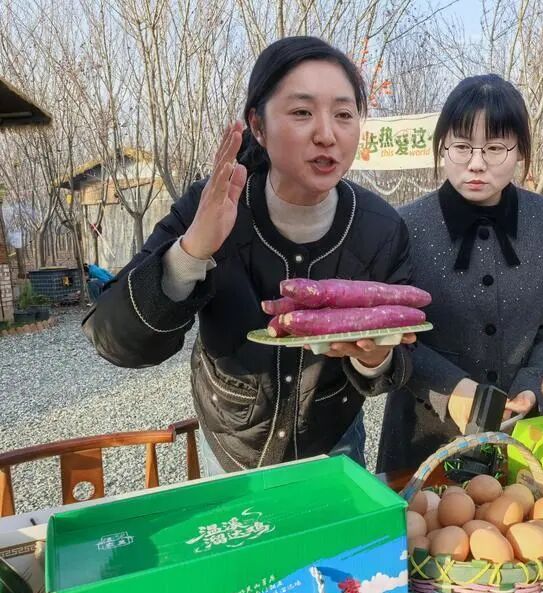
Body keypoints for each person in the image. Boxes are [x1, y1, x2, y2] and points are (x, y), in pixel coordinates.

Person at [82, 37, 416, 475]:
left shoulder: (380, 228)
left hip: (332, 440)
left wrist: (374, 358)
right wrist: (191, 252)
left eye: (343, 114)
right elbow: (113, 339)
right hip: (231, 443)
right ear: (258, 126)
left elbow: (398, 361)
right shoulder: (212, 205)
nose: (327, 134)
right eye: (302, 112)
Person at [376, 74, 543, 473]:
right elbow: (393, 336)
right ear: (443, 146)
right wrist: (454, 390)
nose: (476, 163)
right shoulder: (404, 226)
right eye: (461, 146)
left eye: (494, 148)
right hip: (423, 435)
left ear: (520, 150)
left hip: (521, 434)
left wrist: (533, 389)